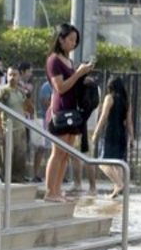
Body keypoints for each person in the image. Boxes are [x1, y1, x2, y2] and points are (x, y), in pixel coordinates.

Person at [44, 23, 94, 203]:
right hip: (61, 110)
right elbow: (60, 87)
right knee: (57, 152)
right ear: (61, 39)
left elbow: (72, 84)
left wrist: (83, 77)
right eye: (71, 39)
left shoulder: (69, 61)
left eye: (75, 40)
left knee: (66, 154)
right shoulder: (53, 60)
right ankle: (50, 191)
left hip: (72, 109)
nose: (74, 43)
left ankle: (57, 190)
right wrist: (78, 73)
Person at [90, 75, 133, 198]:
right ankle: (117, 191)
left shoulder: (109, 98)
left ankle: (119, 184)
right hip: (121, 133)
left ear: (110, 87)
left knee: (103, 162)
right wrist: (132, 137)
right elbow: (129, 122)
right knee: (117, 163)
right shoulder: (126, 101)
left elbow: (103, 117)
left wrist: (96, 133)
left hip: (111, 132)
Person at [0, 65, 30, 181]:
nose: (12, 77)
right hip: (8, 129)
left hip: (20, 128)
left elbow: (27, 109)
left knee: (20, 155)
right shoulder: (3, 92)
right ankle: (5, 179)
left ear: (19, 76)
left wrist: (28, 97)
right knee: (6, 156)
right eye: (10, 74)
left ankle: (18, 178)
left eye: (15, 75)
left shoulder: (21, 92)